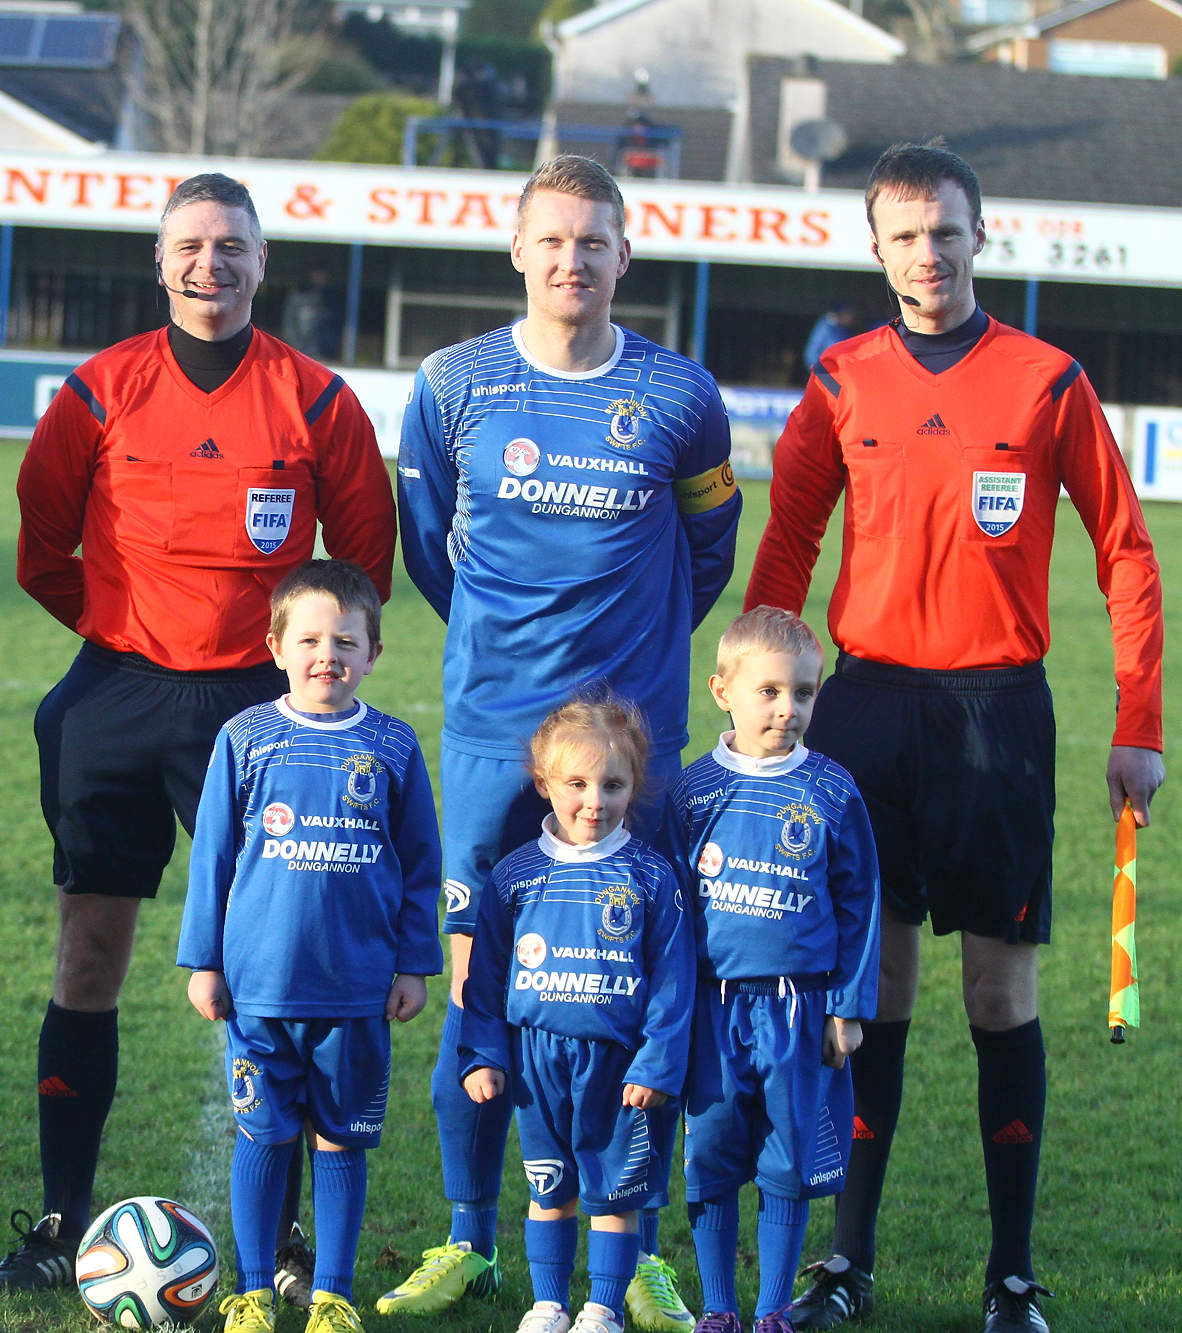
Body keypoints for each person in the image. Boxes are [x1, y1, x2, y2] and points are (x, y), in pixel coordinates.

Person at [749, 140, 1163, 1333]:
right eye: (902, 236)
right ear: (873, 249)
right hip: (864, 713)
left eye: (943, 231)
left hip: (998, 718)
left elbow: (1124, 555)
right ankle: (846, 1261)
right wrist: (760, 701)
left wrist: (1135, 721)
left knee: (995, 993)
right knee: (868, 991)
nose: (925, 254)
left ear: (978, 237)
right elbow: (786, 551)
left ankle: (1011, 1277)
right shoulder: (839, 379)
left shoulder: (1045, 380)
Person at [0, 173, 397, 1300]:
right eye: (188, 245)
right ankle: (57, 1221)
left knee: (284, 973)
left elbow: (361, 571)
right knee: (88, 957)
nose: (207, 264)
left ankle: (301, 1238)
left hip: (262, 716)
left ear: (263, 262)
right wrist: (124, 637)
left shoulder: (315, 402)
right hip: (116, 700)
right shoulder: (98, 389)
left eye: (230, 246)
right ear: (158, 260)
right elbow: (37, 546)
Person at [387, 153, 740, 1326]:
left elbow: (706, 560)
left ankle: (627, 1250)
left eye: (593, 241)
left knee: (634, 995)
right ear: (516, 249)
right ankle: (465, 1236)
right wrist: (513, 657)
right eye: (551, 240)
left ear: (622, 256)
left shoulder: (680, 396)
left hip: (633, 744)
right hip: (493, 733)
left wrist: (625, 675)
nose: (570, 260)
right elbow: (432, 549)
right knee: (479, 987)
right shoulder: (452, 384)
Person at [178, 560, 443, 1333]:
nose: (328, 654)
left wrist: (413, 963)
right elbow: (213, 859)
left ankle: (331, 1292)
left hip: (357, 990)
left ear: (373, 652)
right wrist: (205, 960)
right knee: (263, 1131)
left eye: (346, 640)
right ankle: (256, 1290)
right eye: (311, 638)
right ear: (276, 645)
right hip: (261, 987)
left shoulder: (391, 745)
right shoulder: (246, 737)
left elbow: (421, 862)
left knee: (339, 1140)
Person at [668, 607, 881, 1333]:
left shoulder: (831, 789)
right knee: (715, 1154)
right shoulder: (692, 793)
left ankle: (772, 1312)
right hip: (712, 1007)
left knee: (787, 1163)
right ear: (721, 689)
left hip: (799, 1008)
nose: (789, 709)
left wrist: (847, 1007)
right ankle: (719, 1306)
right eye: (770, 692)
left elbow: (860, 902)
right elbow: (669, 914)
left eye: (804, 692)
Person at [457, 696, 693, 1333]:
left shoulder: (650, 876)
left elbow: (674, 981)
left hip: (619, 1069)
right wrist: (482, 1054)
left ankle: (603, 1308)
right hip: (537, 1065)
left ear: (633, 786)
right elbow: (486, 980)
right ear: (544, 784)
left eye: (613, 785)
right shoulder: (514, 877)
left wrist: (657, 1063)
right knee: (548, 1188)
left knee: (615, 1194)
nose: (595, 801)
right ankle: (548, 1303)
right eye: (578, 784)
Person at [802, 303, 857, 372]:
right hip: (825, 373)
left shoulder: (843, 331)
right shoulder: (826, 326)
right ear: (840, 313)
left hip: (839, 373)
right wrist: (820, 373)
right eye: (848, 313)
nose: (851, 317)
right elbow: (810, 353)